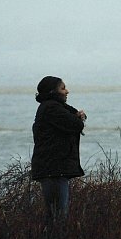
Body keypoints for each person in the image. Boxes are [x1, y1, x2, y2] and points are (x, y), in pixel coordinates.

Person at [31, 76, 86, 223]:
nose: (67, 91)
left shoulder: (50, 107)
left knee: (55, 215)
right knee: (58, 217)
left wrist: (77, 115)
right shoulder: (51, 108)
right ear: (53, 92)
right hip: (53, 170)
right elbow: (75, 125)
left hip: (53, 169)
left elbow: (70, 115)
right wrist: (78, 118)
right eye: (63, 88)